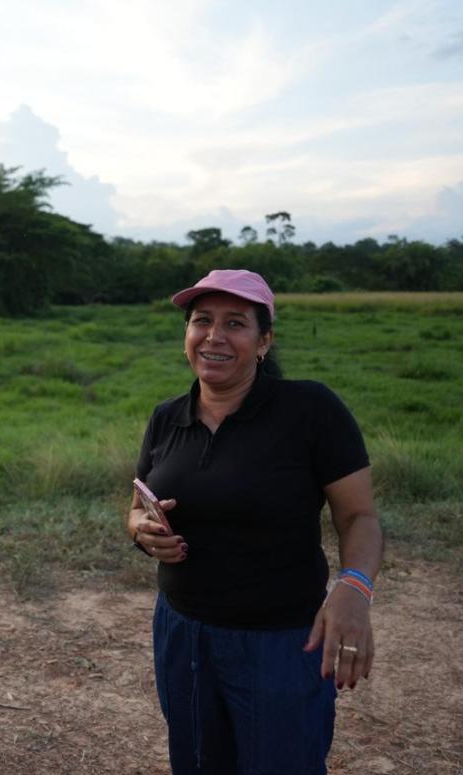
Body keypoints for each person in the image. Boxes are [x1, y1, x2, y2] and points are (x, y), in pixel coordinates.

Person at [128, 269, 382, 774]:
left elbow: (359, 515)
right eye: (202, 320)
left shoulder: (310, 410)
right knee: (198, 762)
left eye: (236, 324)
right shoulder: (167, 417)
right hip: (182, 632)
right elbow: (137, 504)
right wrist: (141, 530)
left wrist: (354, 587)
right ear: (186, 335)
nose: (214, 336)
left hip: (280, 642)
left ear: (264, 341)